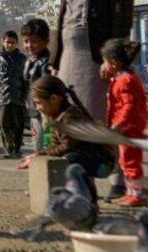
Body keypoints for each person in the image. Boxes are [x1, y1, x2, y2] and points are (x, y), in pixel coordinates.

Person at [52, 0, 135, 124]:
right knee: (68, 116)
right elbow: (62, 21)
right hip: (67, 60)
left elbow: (121, 20)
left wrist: (111, 59)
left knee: (95, 117)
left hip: (96, 61)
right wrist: (55, 62)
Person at [18, 75, 115, 204]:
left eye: (38, 103)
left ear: (54, 99)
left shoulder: (70, 117)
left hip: (102, 163)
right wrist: (38, 156)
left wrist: (38, 155)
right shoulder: (55, 117)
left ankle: (89, 201)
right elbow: (54, 145)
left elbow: (67, 146)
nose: (37, 108)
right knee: (58, 159)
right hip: (86, 157)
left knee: (69, 159)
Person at [100, 38, 148, 207]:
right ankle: (131, 192)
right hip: (127, 128)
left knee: (130, 161)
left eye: (104, 61)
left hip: (130, 128)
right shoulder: (122, 77)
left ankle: (137, 194)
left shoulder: (125, 80)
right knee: (125, 161)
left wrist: (118, 124)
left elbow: (129, 105)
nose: (103, 65)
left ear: (114, 63)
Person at [21, 19, 52, 153]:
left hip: (45, 110)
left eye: (34, 41)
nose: (29, 45)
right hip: (33, 109)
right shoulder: (29, 61)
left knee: (47, 143)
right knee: (37, 143)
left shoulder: (48, 62)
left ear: (45, 41)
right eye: (26, 41)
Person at [0, 31, 28, 159]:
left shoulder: (21, 58)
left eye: (12, 43)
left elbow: (25, 78)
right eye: (7, 42)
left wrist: (25, 95)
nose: (9, 45)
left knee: (18, 123)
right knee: (4, 123)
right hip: (2, 95)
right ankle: (8, 148)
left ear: (17, 43)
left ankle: (17, 147)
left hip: (18, 94)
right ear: (2, 42)